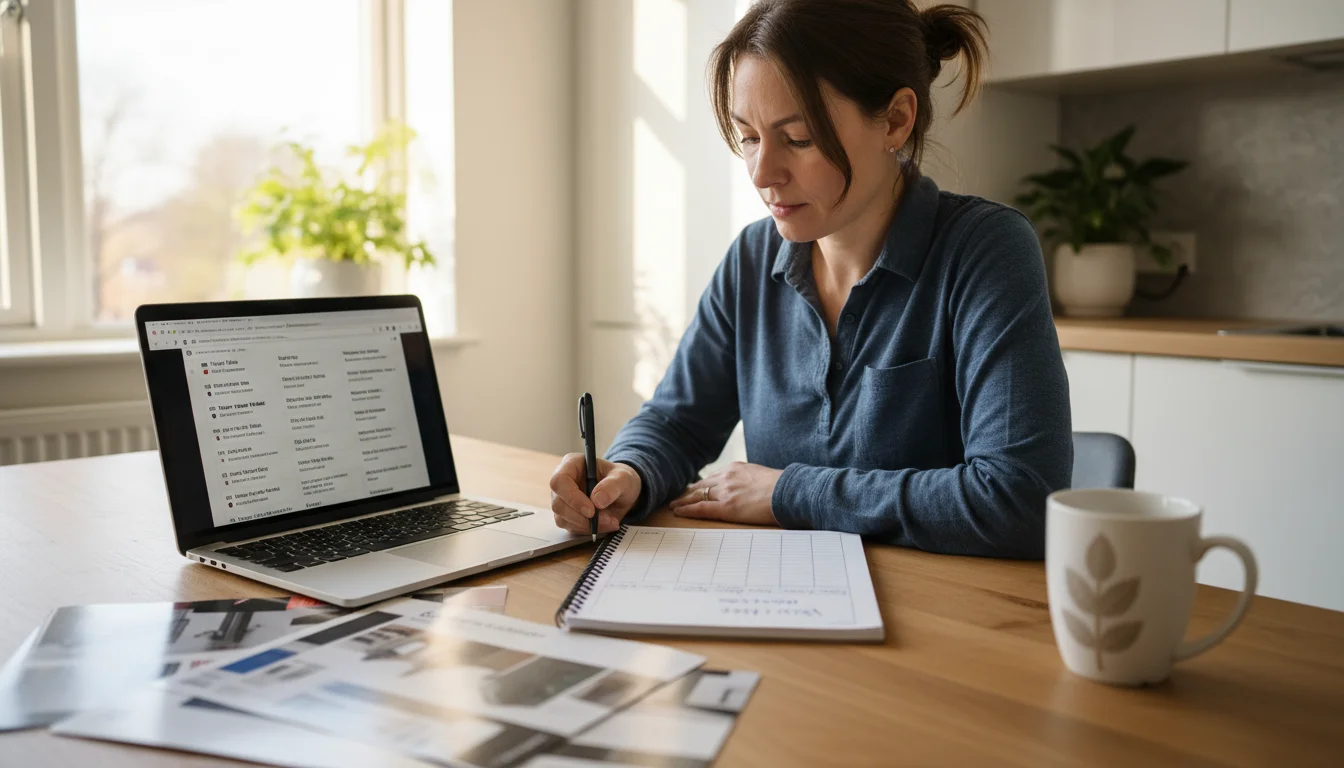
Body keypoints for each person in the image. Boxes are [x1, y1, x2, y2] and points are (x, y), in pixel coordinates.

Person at [549, 0, 1072, 558]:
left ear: (896, 119)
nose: (762, 173)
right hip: (780, 611)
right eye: (749, 136)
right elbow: (677, 423)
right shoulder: (752, 258)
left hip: (941, 619)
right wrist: (626, 472)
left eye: (798, 139)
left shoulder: (984, 251)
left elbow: (1021, 498)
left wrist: (787, 492)